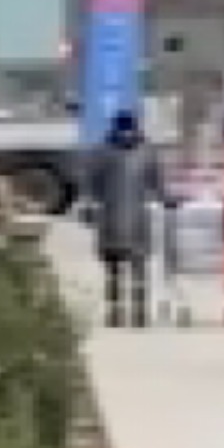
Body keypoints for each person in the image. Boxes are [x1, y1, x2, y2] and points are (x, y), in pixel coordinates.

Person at [83, 109, 168, 328]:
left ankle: (120, 312)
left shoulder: (102, 150)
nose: (126, 134)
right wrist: (167, 199)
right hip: (132, 217)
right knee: (133, 266)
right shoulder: (147, 151)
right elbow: (157, 184)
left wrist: (90, 204)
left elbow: (91, 183)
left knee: (116, 268)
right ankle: (135, 312)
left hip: (113, 217)